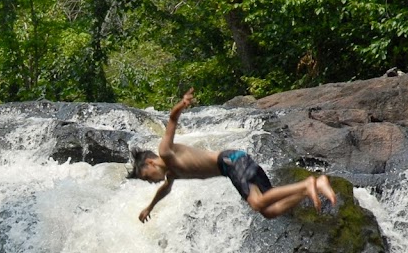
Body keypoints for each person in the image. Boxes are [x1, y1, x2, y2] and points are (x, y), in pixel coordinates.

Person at [130, 88, 336, 222]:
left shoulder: (165, 152)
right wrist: (149, 207)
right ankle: (308, 190)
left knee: (256, 203)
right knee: (268, 211)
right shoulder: (172, 174)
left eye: (147, 177)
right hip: (234, 165)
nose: (151, 182)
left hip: (230, 161)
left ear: (150, 162)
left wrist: (182, 104)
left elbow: (172, 121)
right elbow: (164, 191)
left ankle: (309, 184)